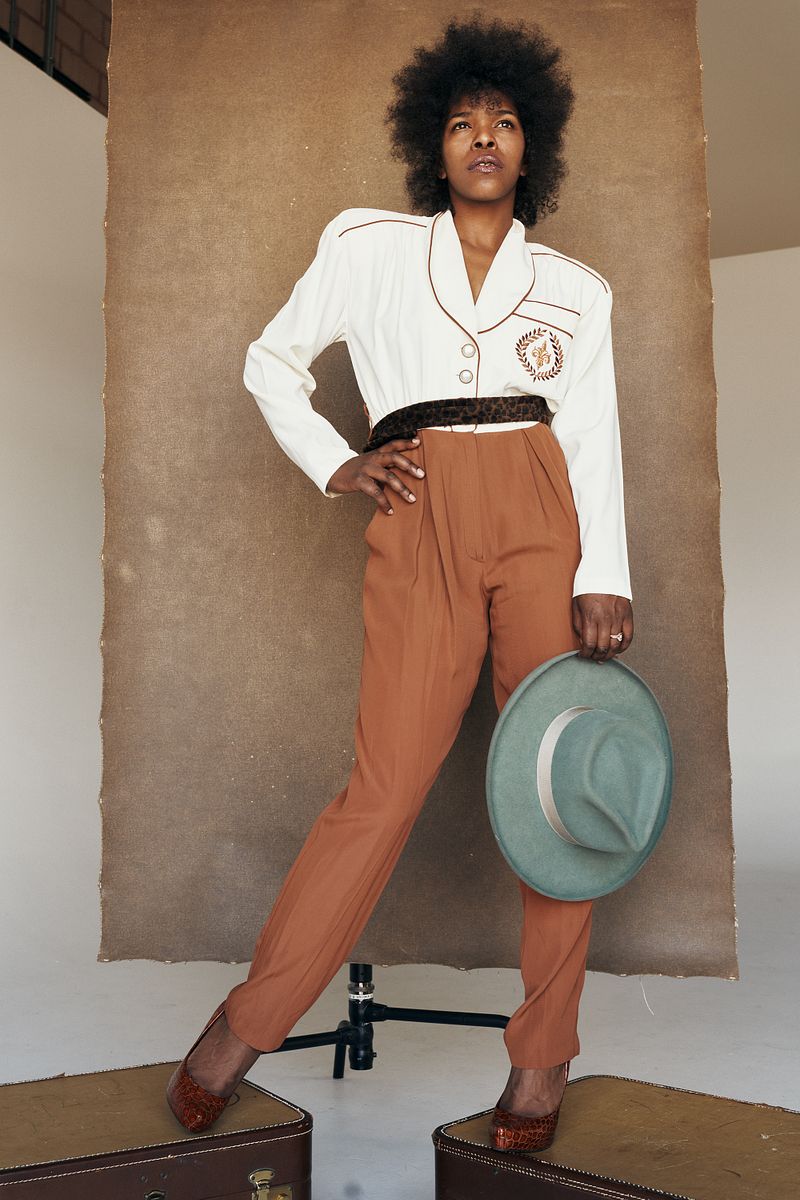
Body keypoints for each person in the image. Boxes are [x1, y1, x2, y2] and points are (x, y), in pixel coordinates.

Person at [166, 14, 634, 1149]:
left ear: (531, 145)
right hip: (419, 511)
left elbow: (591, 438)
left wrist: (605, 573)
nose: (485, 137)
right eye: (463, 122)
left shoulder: (576, 289)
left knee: (555, 791)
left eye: (505, 120)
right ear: (435, 144)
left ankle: (543, 1055)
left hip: (541, 519)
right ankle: (248, 1021)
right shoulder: (366, 246)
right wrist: (338, 460)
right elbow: (271, 360)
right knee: (381, 789)